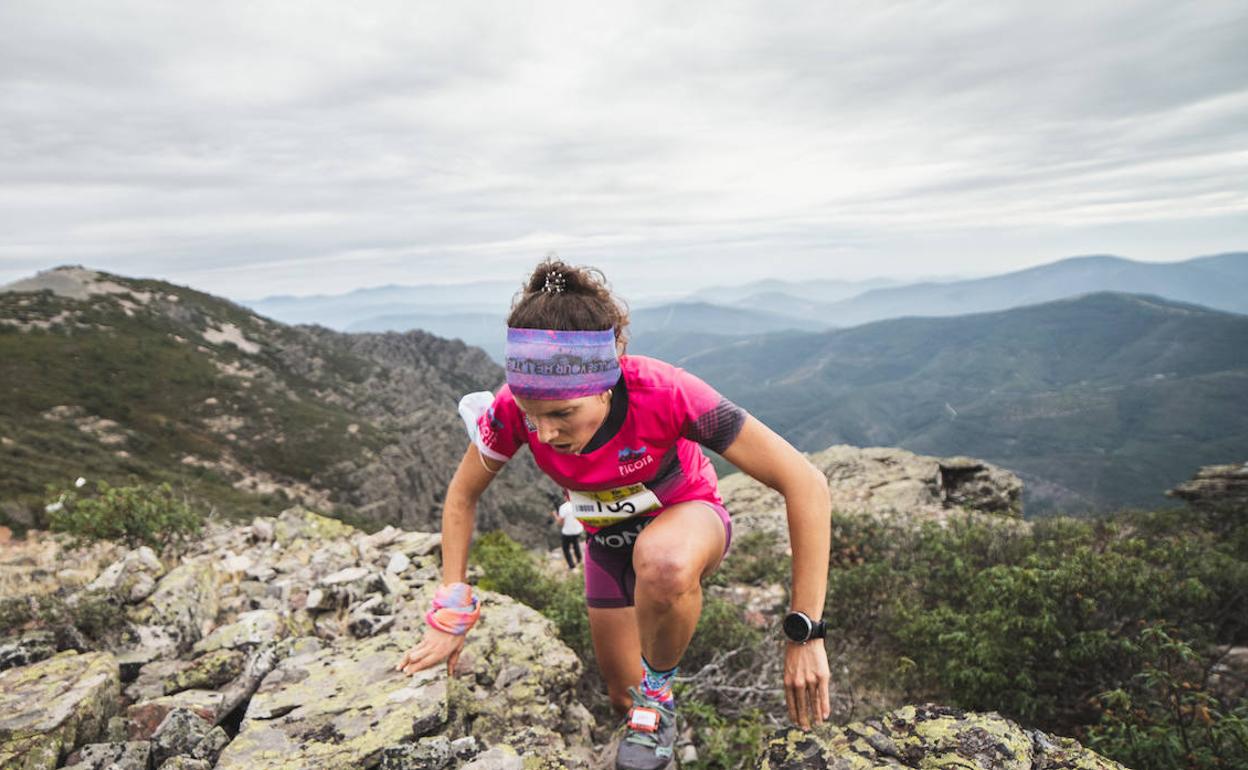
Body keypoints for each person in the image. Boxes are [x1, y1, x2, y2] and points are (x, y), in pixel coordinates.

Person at [397, 259, 832, 770]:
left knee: (664, 568)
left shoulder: (667, 393)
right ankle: (664, 724)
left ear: (607, 381)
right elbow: (461, 496)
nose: (546, 434)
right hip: (607, 542)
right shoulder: (510, 409)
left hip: (688, 518)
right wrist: (452, 606)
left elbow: (805, 483)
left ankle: (660, 693)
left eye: (563, 414)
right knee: (625, 700)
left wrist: (805, 634)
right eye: (533, 417)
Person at [554, 496, 585, 569]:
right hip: (578, 530)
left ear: (565, 497)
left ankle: (571, 565)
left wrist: (555, 514)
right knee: (576, 544)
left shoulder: (564, 507)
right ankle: (579, 560)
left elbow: (560, 522)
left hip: (567, 532)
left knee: (566, 549)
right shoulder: (579, 504)